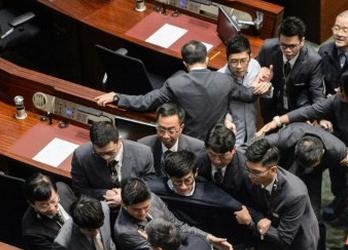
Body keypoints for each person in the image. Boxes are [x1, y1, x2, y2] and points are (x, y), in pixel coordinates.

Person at [258, 65, 348, 221]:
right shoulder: (338, 98)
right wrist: (278, 121)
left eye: (343, 88)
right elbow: (312, 110)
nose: (338, 90)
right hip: (341, 148)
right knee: (338, 184)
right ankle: (339, 202)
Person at [94, 41, 269, 140]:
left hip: (188, 142)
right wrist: (263, 81)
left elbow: (146, 102)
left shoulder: (175, 83)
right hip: (215, 142)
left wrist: (117, 97)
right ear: (207, 60)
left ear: (184, 63)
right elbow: (248, 96)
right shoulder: (225, 81)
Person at [263, 122, 348, 250]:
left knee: (314, 218)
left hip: (313, 176)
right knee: (275, 211)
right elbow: (258, 144)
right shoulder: (286, 137)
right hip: (285, 170)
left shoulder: (336, 148)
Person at [241, 139, 319, 250]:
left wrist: (251, 223)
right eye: (248, 170)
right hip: (272, 241)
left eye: (255, 172)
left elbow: (285, 237)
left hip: (299, 245)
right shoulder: (253, 177)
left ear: (273, 170)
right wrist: (260, 219)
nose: (250, 176)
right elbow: (248, 205)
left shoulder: (294, 193)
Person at [114, 177, 228, 250]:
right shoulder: (124, 232)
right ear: (124, 204)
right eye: (136, 210)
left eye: (146, 207)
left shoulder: (152, 198)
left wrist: (208, 237)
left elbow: (177, 226)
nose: (143, 213)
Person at [255, 16, 325, 124]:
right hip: (271, 104)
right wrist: (261, 71)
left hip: (297, 108)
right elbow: (255, 68)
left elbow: (317, 93)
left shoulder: (313, 61)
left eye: (292, 46)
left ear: (302, 41)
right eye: (283, 45)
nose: (287, 50)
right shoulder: (267, 48)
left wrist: (322, 117)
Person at [71, 121, 154, 209]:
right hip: (100, 208)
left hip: (134, 206)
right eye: (99, 154)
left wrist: (127, 196)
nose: (106, 158)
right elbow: (79, 189)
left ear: (119, 140)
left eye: (110, 153)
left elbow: (150, 184)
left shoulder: (143, 153)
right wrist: (104, 193)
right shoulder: (81, 156)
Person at [218, 34, 265, 150]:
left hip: (252, 130)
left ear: (250, 56)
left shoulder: (255, 66)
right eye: (234, 61)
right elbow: (217, 108)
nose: (239, 66)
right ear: (227, 58)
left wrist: (266, 87)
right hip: (231, 134)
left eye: (243, 61)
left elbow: (262, 93)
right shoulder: (219, 78)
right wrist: (226, 120)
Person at [138, 103, 204, 176]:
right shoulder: (143, 146)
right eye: (161, 130)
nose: (166, 136)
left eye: (171, 131)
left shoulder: (198, 149)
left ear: (181, 128)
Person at [21, 173, 76, 250]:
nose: (52, 208)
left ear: (57, 193)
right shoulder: (32, 233)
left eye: (53, 201)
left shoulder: (63, 188)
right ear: (32, 204)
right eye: (44, 205)